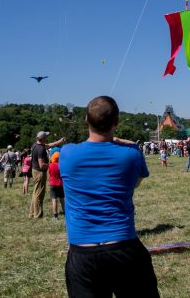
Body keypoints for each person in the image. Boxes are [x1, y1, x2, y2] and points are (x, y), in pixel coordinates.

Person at [60, 96, 159, 297]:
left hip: (82, 251)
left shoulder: (67, 154)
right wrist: (115, 139)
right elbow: (136, 183)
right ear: (117, 122)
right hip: (124, 246)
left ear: (86, 120)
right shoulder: (132, 154)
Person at [29, 131, 65, 219]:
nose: (47, 138)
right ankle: (38, 214)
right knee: (39, 194)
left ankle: (32, 213)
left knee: (35, 192)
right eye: (46, 137)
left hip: (35, 171)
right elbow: (41, 165)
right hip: (40, 172)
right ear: (43, 139)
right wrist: (51, 164)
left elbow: (49, 145)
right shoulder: (41, 149)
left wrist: (59, 141)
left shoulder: (35, 145)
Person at [48, 151, 65, 220]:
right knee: (62, 199)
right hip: (60, 184)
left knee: (54, 200)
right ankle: (65, 213)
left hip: (52, 184)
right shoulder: (61, 165)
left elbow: (49, 174)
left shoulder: (50, 165)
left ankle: (55, 216)